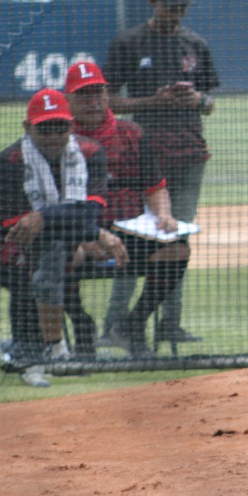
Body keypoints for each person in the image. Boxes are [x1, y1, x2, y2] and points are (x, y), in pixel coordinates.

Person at [103, 0, 218, 345]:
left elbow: (210, 101)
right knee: (133, 237)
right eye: (171, 5)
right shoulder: (130, 42)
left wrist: (197, 100)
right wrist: (155, 100)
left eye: (183, 5)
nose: (177, 12)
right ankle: (114, 326)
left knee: (177, 241)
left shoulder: (195, 44)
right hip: (142, 158)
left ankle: (170, 325)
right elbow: (108, 102)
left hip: (188, 155)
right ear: (152, 2)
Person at [65, 61, 188, 357]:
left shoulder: (131, 132)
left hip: (132, 229)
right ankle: (82, 325)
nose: (93, 101)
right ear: (68, 99)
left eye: (98, 93)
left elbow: (155, 186)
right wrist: (87, 234)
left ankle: (133, 323)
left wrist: (164, 215)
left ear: (108, 94)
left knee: (178, 249)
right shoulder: (62, 138)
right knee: (64, 255)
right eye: (84, 95)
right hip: (80, 232)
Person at [0, 89, 114, 387]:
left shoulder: (90, 152)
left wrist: (45, 217)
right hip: (4, 244)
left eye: (59, 126)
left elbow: (90, 212)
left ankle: (42, 350)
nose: (52, 135)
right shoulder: (8, 161)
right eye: (44, 127)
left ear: (71, 126)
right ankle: (37, 350)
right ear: (27, 127)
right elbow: (14, 227)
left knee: (52, 249)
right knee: (40, 256)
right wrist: (86, 230)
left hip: (68, 242)